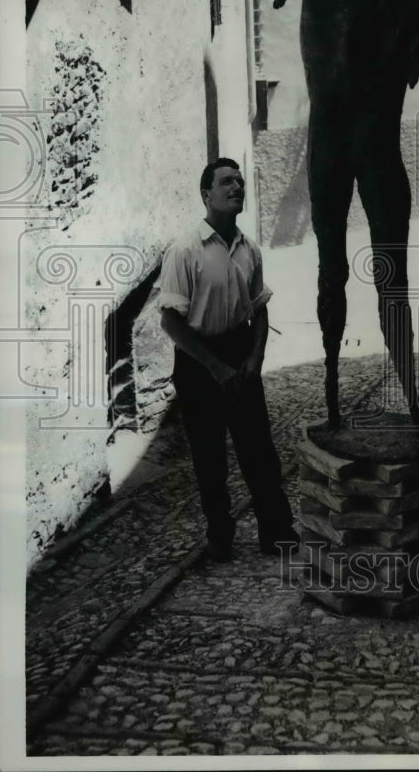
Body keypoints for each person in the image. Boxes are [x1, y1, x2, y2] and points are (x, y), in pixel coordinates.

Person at [273, 0, 419, 431]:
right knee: (391, 277)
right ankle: (408, 399)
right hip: (377, 148)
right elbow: (410, 75)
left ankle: (336, 400)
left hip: (331, 149)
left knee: (331, 270)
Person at [158, 158, 297, 561]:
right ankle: (220, 536)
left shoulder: (248, 249)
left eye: (239, 181)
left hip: (240, 354)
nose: (236, 187)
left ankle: (276, 531)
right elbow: (171, 322)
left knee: (259, 450)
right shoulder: (185, 250)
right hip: (199, 360)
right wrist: (215, 367)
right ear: (207, 195)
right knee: (209, 456)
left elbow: (260, 307)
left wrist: (255, 359)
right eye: (226, 182)